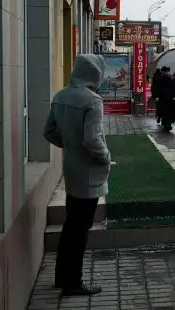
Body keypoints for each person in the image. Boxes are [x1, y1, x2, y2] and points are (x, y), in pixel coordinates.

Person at [43, 54, 110, 296]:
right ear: (95, 73)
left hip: (71, 168)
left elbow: (49, 131)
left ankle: (62, 277)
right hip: (89, 171)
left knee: (71, 225)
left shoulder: (61, 96)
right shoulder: (92, 100)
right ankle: (73, 283)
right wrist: (105, 157)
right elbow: (92, 139)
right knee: (80, 229)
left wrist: (69, 145)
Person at [153, 66, 175, 132]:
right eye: (165, 72)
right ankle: (166, 125)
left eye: (167, 72)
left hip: (170, 99)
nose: (167, 73)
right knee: (165, 112)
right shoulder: (160, 79)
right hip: (163, 99)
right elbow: (156, 88)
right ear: (162, 72)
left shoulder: (171, 79)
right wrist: (156, 96)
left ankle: (168, 125)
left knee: (169, 112)